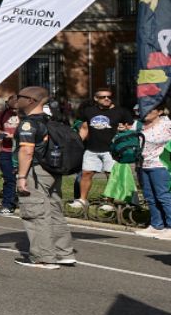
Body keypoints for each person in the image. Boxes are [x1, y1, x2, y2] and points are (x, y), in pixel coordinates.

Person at [13, 85, 74, 268]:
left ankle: (43, 257)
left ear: (31, 100)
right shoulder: (51, 120)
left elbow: (26, 150)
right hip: (52, 170)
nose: (17, 100)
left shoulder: (28, 123)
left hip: (36, 171)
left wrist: (21, 177)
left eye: (20, 97)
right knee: (55, 211)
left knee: (35, 213)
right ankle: (64, 252)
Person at [73, 87, 133, 213]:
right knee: (86, 174)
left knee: (111, 176)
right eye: (103, 97)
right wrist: (77, 143)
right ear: (96, 98)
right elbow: (84, 129)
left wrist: (125, 129)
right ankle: (82, 200)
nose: (107, 99)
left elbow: (130, 128)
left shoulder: (121, 112)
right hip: (91, 149)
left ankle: (108, 202)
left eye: (109, 97)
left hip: (111, 150)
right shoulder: (88, 111)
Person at [138, 105, 171, 239]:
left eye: (150, 109)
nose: (145, 112)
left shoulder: (167, 124)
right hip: (144, 164)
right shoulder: (140, 124)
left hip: (160, 165)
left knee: (163, 196)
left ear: (160, 112)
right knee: (150, 197)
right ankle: (156, 225)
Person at [0, 94, 22, 215]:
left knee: (26, 179)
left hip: (21, 152)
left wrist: (14, 135)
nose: (14, 111)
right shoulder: (3, 114)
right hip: (6, 151)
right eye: (12, 108)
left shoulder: (26, 115)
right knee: (9, 179)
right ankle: (7, 205)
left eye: (16, 109)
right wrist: (1, 132)